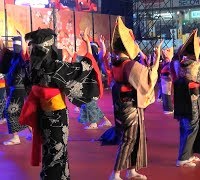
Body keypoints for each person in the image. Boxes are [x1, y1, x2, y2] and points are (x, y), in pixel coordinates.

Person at [19, 27, 103, 179]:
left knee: (50, 151)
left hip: (42, 115)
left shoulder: (30, 67)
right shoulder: (55, 67)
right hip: (57, 117)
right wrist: (89, 50)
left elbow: (27, 88)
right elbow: (84, 67)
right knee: (57, 154)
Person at [108, 17, 163, 180]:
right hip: (131, 106)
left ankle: (131, 170)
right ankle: (115, 173)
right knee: (130, 138)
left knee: (137, 136)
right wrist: (158, 56)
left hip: (124, 105)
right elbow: (148, 77)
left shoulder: (117, 63)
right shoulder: (129, 65)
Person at [173, 29, 200, 167]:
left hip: (182, 98)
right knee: (192, 127)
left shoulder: (179, 64)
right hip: (192, 99)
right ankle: (183, 158)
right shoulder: (197, 65)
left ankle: (189, 154)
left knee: (185, 127)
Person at [0, 31, 29, 145]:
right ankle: (35, 134)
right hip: (14, 90)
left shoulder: (21, 58)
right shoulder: (12, 57)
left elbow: (24, 50)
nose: (14, 46)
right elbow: (3, 48)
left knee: (10, 112)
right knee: (20, 113)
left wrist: (22, 36)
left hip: (18, 90)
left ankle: (16, 138)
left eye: (16, 44)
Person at [160, 47, 174, 114]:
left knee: (167, 95)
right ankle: (167, 108)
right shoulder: (166, 63)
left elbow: (171, 73)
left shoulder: (169, 64)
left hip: (166, 81)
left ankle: (168, 109)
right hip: (164, 80)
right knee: (165, 95)